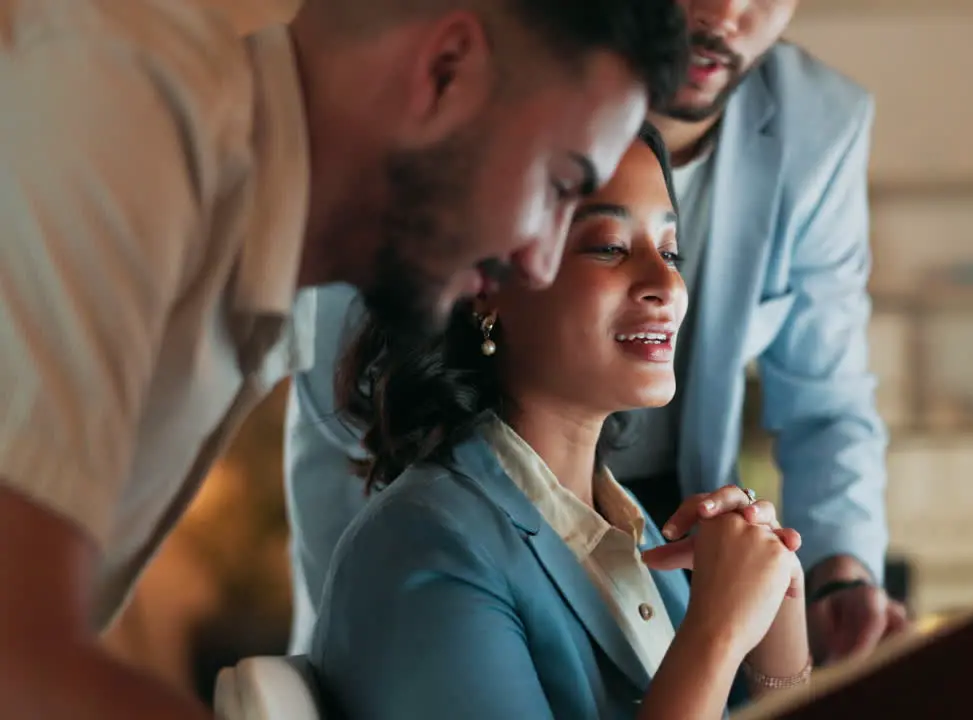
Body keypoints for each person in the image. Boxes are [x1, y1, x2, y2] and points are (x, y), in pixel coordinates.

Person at [0, 0, 689, 715]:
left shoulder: (266, 281)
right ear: (447, 70)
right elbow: (17, 657)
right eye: (558, 185)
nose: (537, 260)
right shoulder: (116, 105)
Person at [286, 0, 908, 663]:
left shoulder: (820, 128)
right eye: (606, 244)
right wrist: (369, 648)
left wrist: (826, 581)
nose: (727, 11)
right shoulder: (489, 81)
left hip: (651, 536)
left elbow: (828, 403)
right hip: (457, 502)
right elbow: (355, 408)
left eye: (673, 254)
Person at [310, 124, 812, 719]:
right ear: (484, 286)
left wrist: (777, 613)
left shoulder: (635, 532)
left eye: (671, 252)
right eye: (609, 246)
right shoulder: (424, 544)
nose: (665, 284)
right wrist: (718, 634)